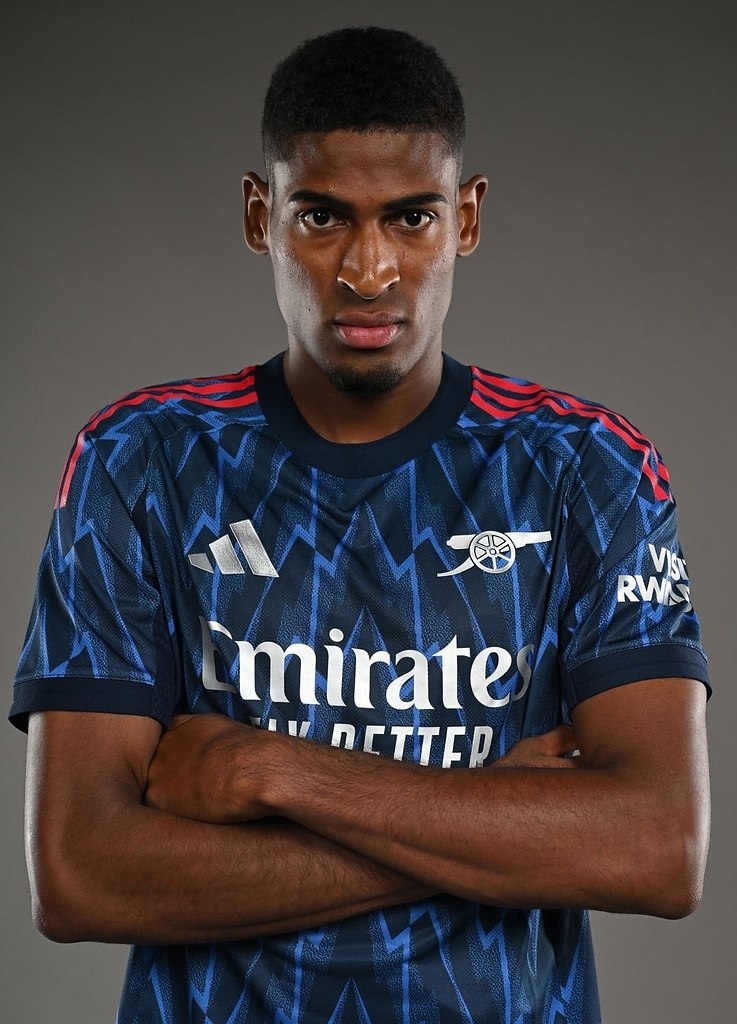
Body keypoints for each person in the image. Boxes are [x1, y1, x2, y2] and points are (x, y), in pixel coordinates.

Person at [10, 25, 710, 1024]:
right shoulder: (140, 460)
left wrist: (275, 771)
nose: (368, 270)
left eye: (411, 218)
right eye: (322, 216)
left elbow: (657, 849)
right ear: (261, 217)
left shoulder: (586, 465)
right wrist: (498, 825)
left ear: (466, 218)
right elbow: (81, 875)